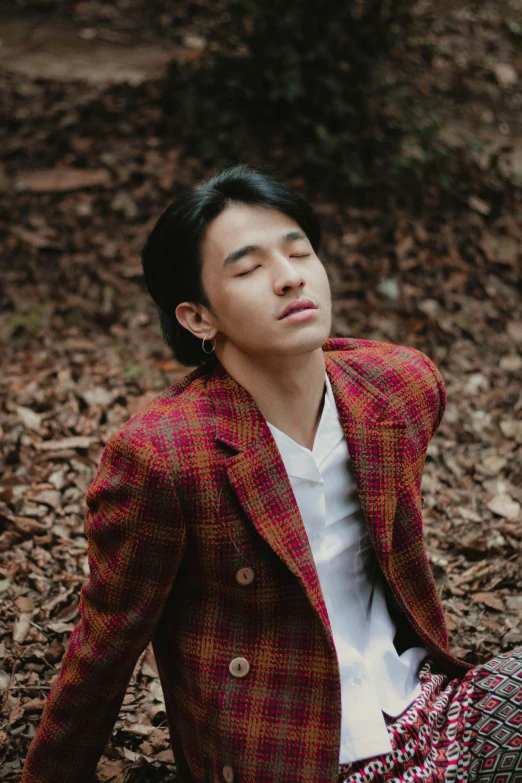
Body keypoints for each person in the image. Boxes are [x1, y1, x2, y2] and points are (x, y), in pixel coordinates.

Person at [21, 164, 521, 783]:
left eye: (300, 252)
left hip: (428, 709)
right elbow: (104, 648)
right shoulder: (166, 457)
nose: (289, 279)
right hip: (300, 757)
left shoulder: (397, 390)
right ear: (198, 317)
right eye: (249, 268)